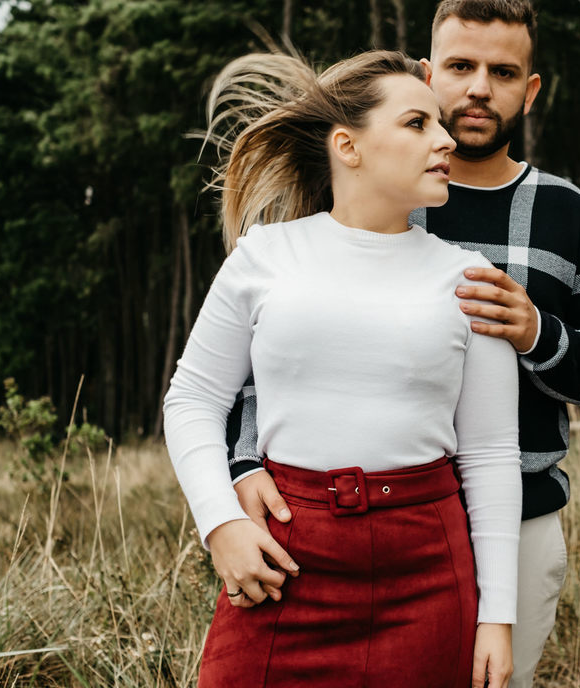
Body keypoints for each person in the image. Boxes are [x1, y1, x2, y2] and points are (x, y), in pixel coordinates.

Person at [226, 0, 580, 687]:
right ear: (427, 74)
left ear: (531, 89)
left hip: (515, 525)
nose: (479, 89)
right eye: (460, 66)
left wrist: (537, 333)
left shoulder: (568, 214)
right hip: (342, 530)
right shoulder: (359, 198)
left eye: (504, 73)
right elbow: (260, 362)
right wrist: (244, 469)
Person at [163, 48, 522, 688]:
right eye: (418, 123)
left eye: (441, 123)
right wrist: (220, 525)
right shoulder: (264, 256)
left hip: (429, 574)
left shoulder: (472, 280)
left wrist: (497, 615)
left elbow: (491, 454)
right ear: (347, 146)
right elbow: (191, 399)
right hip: (284, 561)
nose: (445, 140)